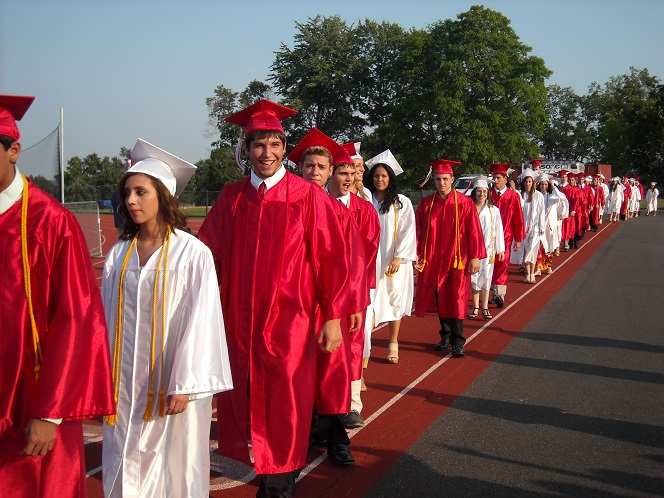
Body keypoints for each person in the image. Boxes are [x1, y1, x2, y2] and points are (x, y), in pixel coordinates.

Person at [198, 100, 348, 497]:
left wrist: (332, 315)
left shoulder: (306, 196)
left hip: (290, 320)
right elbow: (205, 254)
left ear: (285, 148)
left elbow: (331, 259)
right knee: (244, 398)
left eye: (274, 145)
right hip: (239, 321)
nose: (266, 153)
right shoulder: (231, 198)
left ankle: (280, 481)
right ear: (246, 150)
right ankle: (269, 467)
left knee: (286, 398)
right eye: (258, 145)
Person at [101, 139, 233, 497]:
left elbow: (204, 320)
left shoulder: (192, 254)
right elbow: (103, 320)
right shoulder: (119, 255)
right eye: (127, 192)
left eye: (141, 192)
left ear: (163, 195)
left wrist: (187, 382)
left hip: (172, 383)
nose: (130, 201)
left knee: (176, 465)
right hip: (125, 384)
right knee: (123, 459)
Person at [0, 94, 114, 497]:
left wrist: (51, 412)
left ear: (14, 150)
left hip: (34, 401)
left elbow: (77, 319)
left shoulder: (51, 223)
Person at [287, 127, 359, 465]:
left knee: (330, 373)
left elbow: (354, 261)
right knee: (298, 372)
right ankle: (306, 434)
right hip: (293, 306)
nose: (314, 172)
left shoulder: (341, 212)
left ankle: (335, 439)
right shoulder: (284, 205)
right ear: (299, 168)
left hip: (329, 306)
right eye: (308, 166)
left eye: (321, 167)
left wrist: (354, 304)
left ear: (331, 171)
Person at [414, 159, 485, 357]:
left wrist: (475, 256)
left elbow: (474, 231)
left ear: (452, 179)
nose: (441, 183)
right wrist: (416, 255)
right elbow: (417, 232)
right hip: (433, 260)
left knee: (458, 298)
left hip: (457, 259)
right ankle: (445, 335)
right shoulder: (426, 204)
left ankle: (458, 341)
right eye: (438, 179)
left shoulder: (464, 203)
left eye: (445, 179)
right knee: (439, 297)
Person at [366, 150, 417, 365]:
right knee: (369, 304)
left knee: (394, 300)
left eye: (384, 176)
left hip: (393, 260)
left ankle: (393, 343)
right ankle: (365, 349)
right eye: (377, 176)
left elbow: (408, 231)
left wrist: (400, 257)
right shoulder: (366, 199)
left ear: (391, 178)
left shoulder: (402, 202)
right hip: (370, 260)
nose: (380, 179)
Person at [467, 176, 504, 320]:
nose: (481, 194)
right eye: (479, 191)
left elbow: (498, 229)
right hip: (473, 250)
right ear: (475, 192)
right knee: (474, 277)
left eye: (484, 191)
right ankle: (475, 307)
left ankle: (485, 307)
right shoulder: (469, 207)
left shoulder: (493, 210)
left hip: (489, 250)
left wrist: (500, 249)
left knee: (487, 277)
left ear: (487, 193)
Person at [489, 163, 525, 307]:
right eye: (494, 177)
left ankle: (500, 294)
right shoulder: (489, 194)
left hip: (506, 235)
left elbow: (518, 218)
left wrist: (518, 238)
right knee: (490, 265)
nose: (495, 180)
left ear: (505, 178)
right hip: (489, 236)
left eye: (498, 177)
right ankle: (491, 291)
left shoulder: (513, 196)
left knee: (502, 264)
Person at [511, 169, 546, 283]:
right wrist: (514, 190)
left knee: (533, 250)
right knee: (525, 250)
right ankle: (528, 274)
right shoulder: (521, 195)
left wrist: (542, 227)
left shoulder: (538, 195)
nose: (528, 184)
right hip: (523, 228)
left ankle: (532, 273)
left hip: (535, 228)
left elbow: (541, 211)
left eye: (530, 181)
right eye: (526, 182)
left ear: (533, 182)